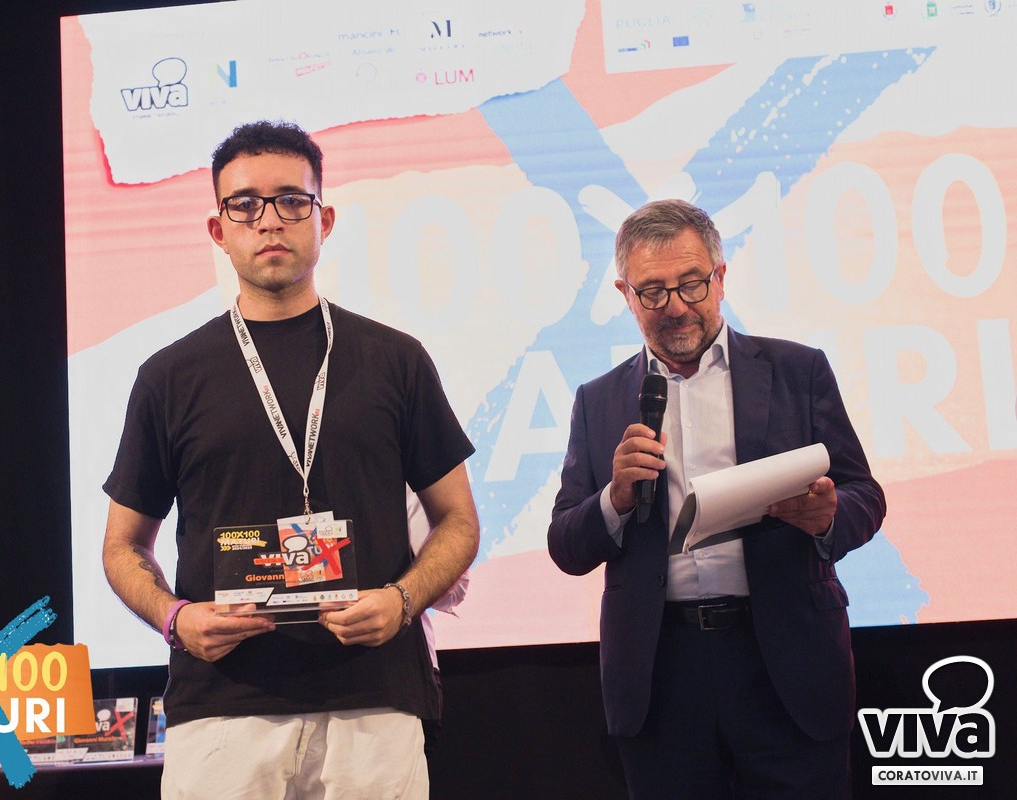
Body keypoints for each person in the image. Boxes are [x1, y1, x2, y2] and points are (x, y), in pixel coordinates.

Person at [101, 120, 479, 799]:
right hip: (222, 706)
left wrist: (401, 601)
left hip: (373, 698)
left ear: (323, 219)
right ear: (219, 229)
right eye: (245, 204)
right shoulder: (169, 377)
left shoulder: (396, 361)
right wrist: (175, 619)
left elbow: (459, 521)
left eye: (291, 201)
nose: (269, 220)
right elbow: (122, 547)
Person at [547, 199, 885, 799]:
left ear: (721, 276)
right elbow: (566, 545)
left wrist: (828, 517)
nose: (676, 306)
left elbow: (865, 494)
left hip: (783, 658)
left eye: (692, 284)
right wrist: (615, 499)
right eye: (653, 292)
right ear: (625, 295)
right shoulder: (597, 401)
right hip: (660, 671)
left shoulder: (797, 370)